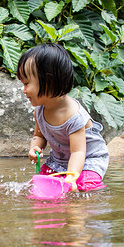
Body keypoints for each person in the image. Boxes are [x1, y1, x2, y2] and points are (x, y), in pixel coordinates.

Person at [16, 43, 109, 191]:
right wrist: (35, 147)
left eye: (27, 83)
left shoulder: (73, 116)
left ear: (49, 81)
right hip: (59, 159)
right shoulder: (39, 110)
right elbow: (39, 136)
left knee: (82, 186)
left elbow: (78, 152)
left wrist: (71, 178)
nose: (24, 90)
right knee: (37, 186)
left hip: (87, 159)